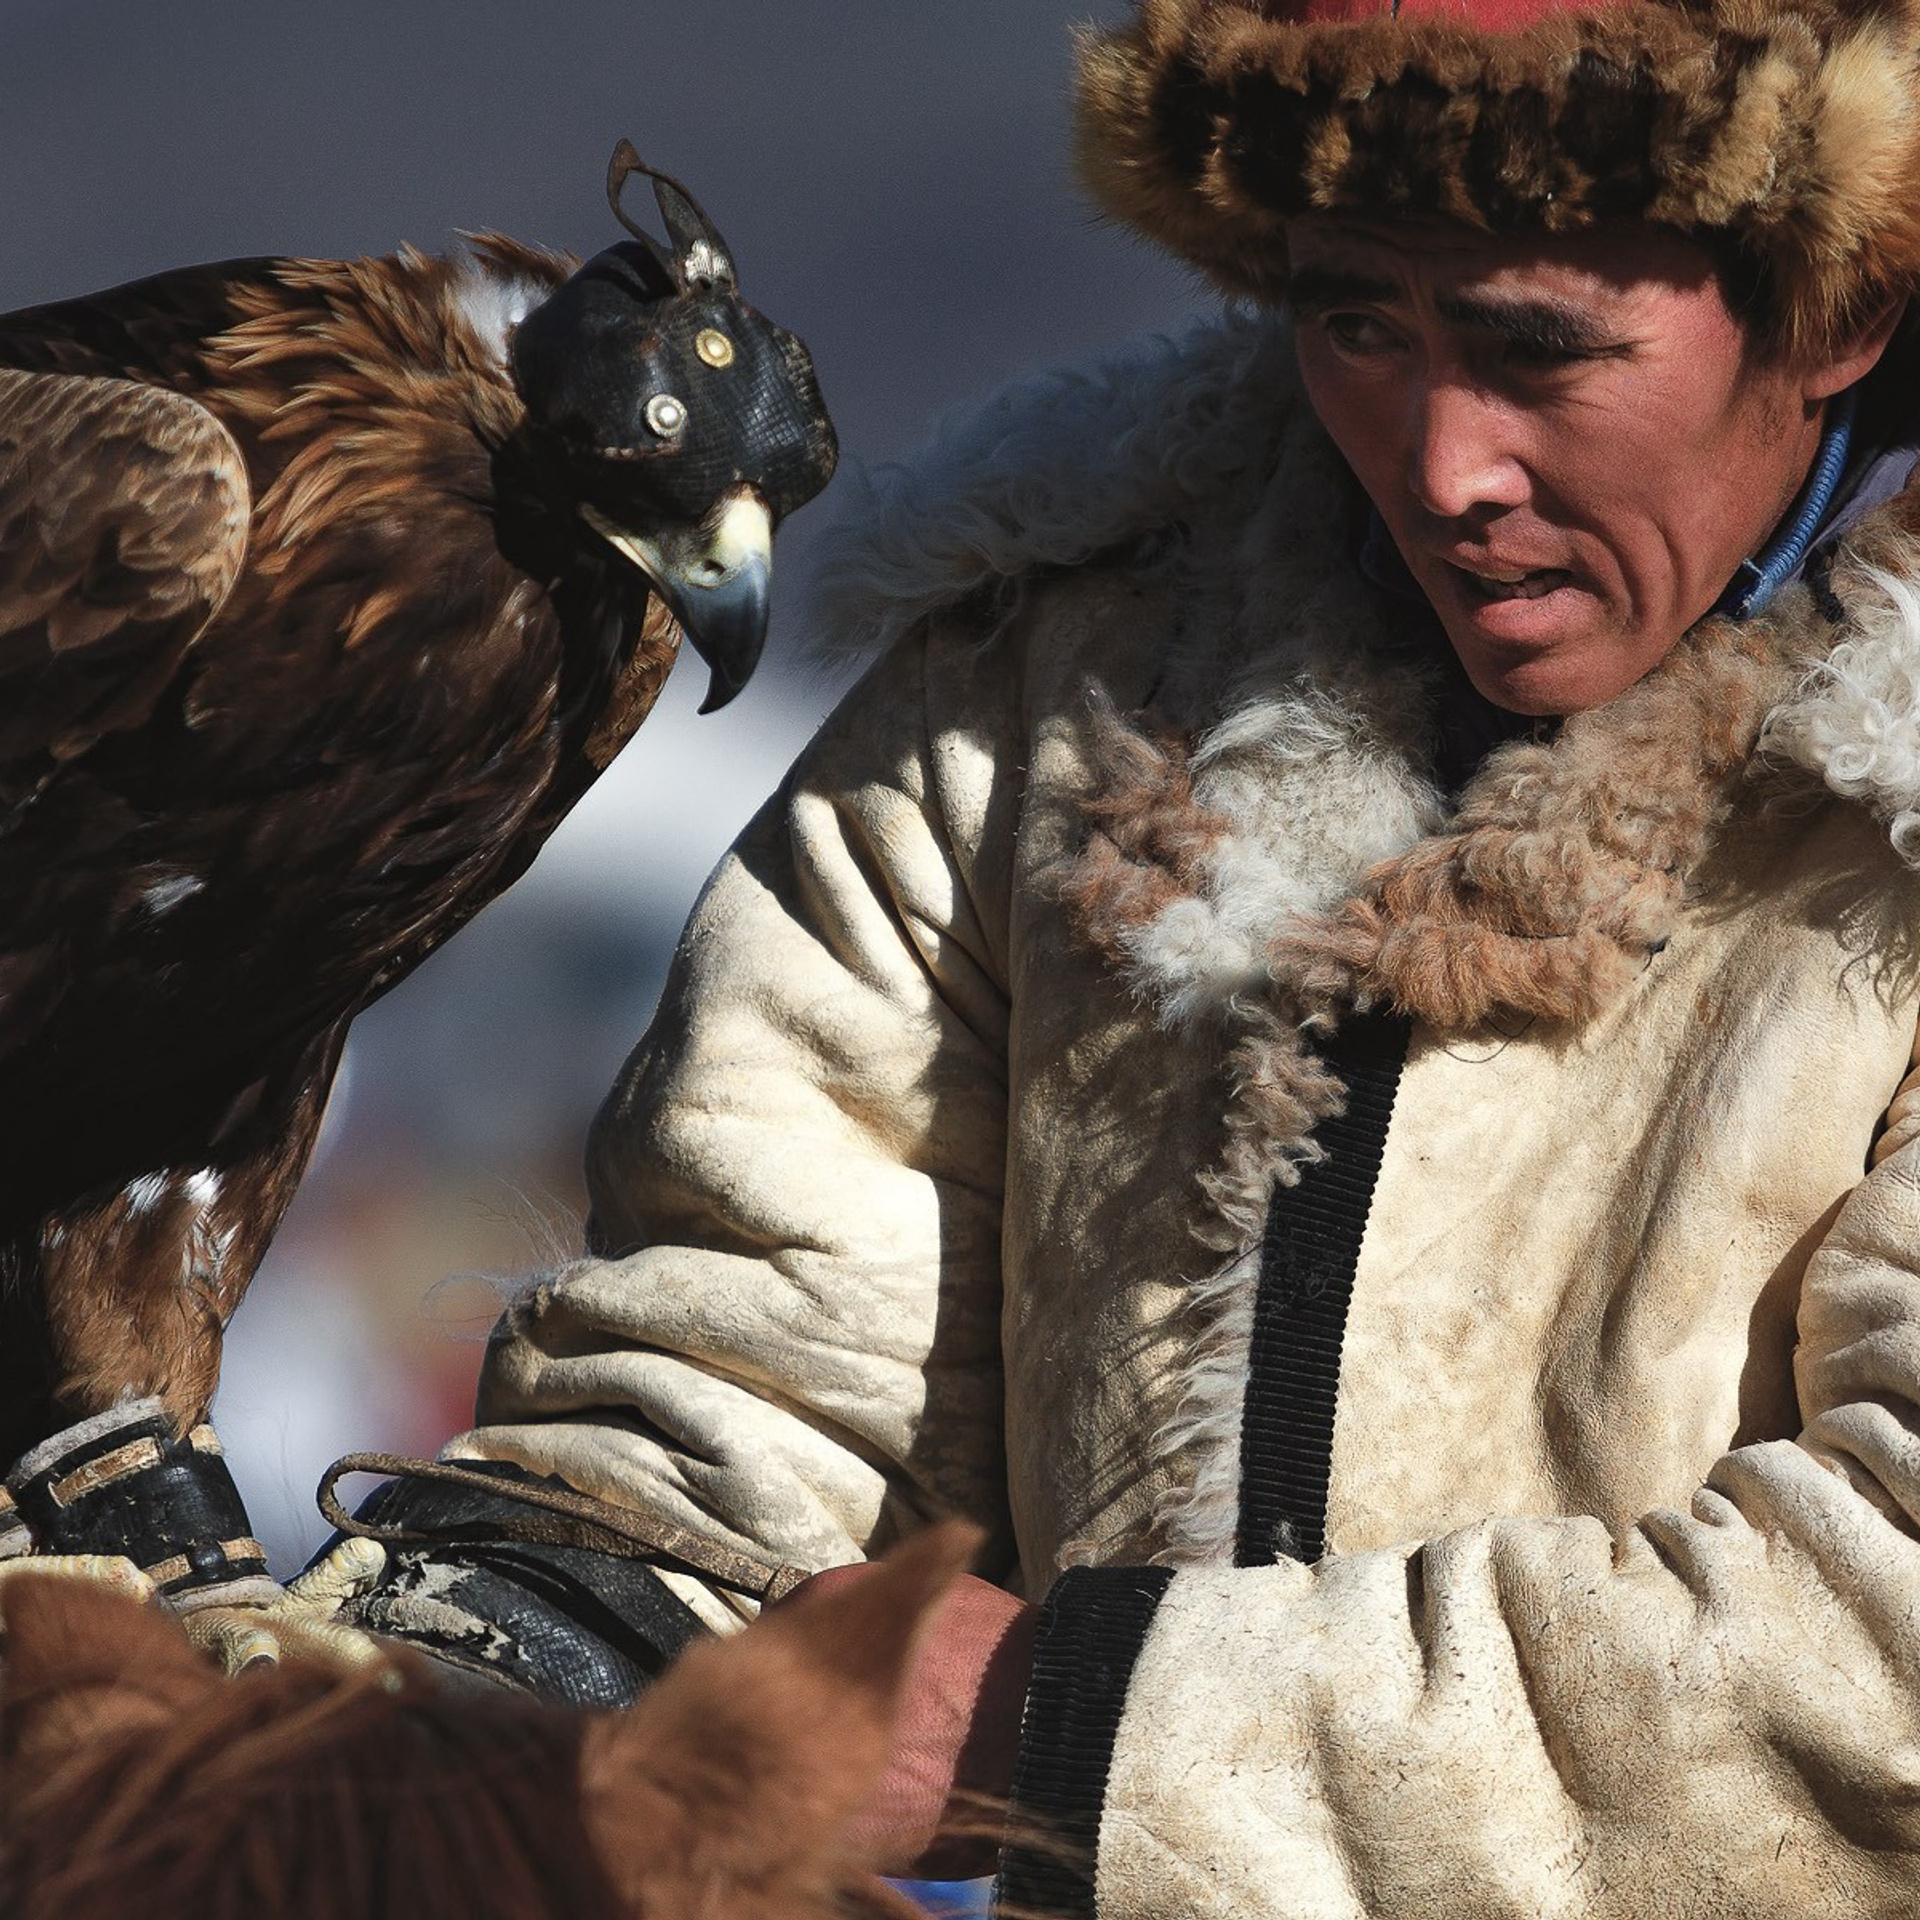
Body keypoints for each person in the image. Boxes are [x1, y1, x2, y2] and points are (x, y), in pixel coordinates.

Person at [345, 0, 1920, 1909]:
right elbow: (756, 1370)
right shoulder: (1058, 677)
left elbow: (1881, 1657)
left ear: (1841, 299)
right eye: (1356, 324)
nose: (1444, 465)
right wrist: (472, 1684)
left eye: (1539, 349)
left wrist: (1077, 1724)